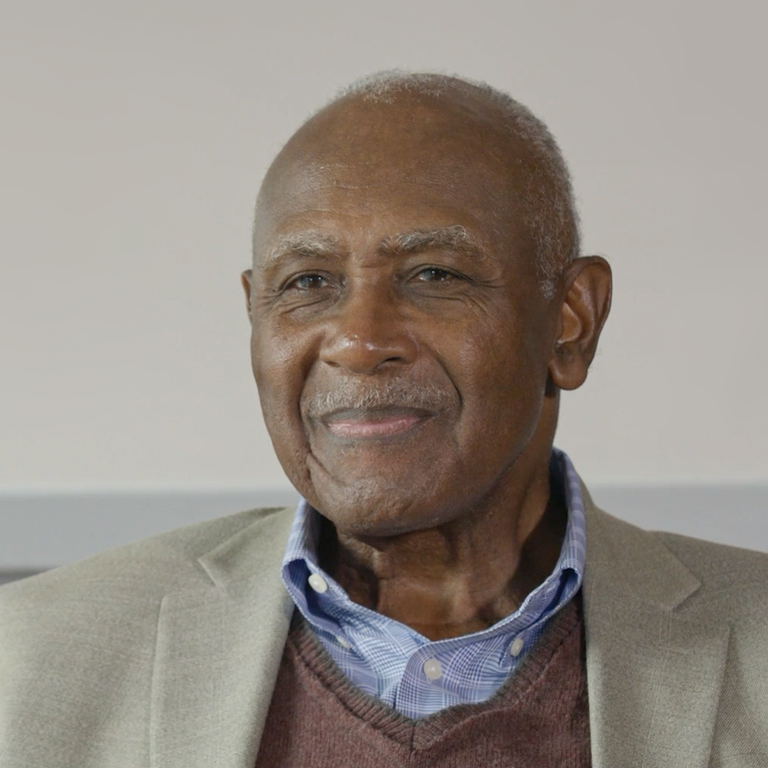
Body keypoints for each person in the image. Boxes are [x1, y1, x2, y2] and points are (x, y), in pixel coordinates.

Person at [1, 71, 766, 768]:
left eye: (433, 274)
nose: (358, 341)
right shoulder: (35, 654)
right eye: (308, 282)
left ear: (571, 322)